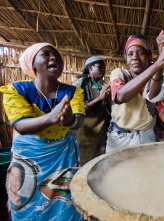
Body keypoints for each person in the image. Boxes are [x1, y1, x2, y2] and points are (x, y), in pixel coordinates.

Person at [0, 43, 84, 220]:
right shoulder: (17, 90)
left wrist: (70, 121)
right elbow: (21, 125)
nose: (54, 58)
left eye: (58, 57)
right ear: (32, 64)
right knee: (24, 202)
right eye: (45, 54)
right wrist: (51, 117)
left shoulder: (72, 92)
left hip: (63, 158)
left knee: (65, 202)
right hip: (29, 158)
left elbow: (78, 122)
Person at [106, 31, 164, 152]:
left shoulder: (155, 81)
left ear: (149, 57)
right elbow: (121, 96)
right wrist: (159, 62)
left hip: (146, 138)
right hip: (119, 139)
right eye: (130, 54)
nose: (135, 57)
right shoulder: (119, 74)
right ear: (126, 59)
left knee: (146, 170)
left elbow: (162, 111)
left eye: (141, 53)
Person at [73, 56, 111, 164]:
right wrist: (100, 98)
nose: (103, 70)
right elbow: (77, 109)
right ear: (90, 68)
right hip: (85, 131)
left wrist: (108, 99)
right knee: (85, 159)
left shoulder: (105, 86)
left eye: (104, 67)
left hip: (101, 129)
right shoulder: (79, 84)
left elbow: (111, 109)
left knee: (100, 159)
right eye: (100, 67)